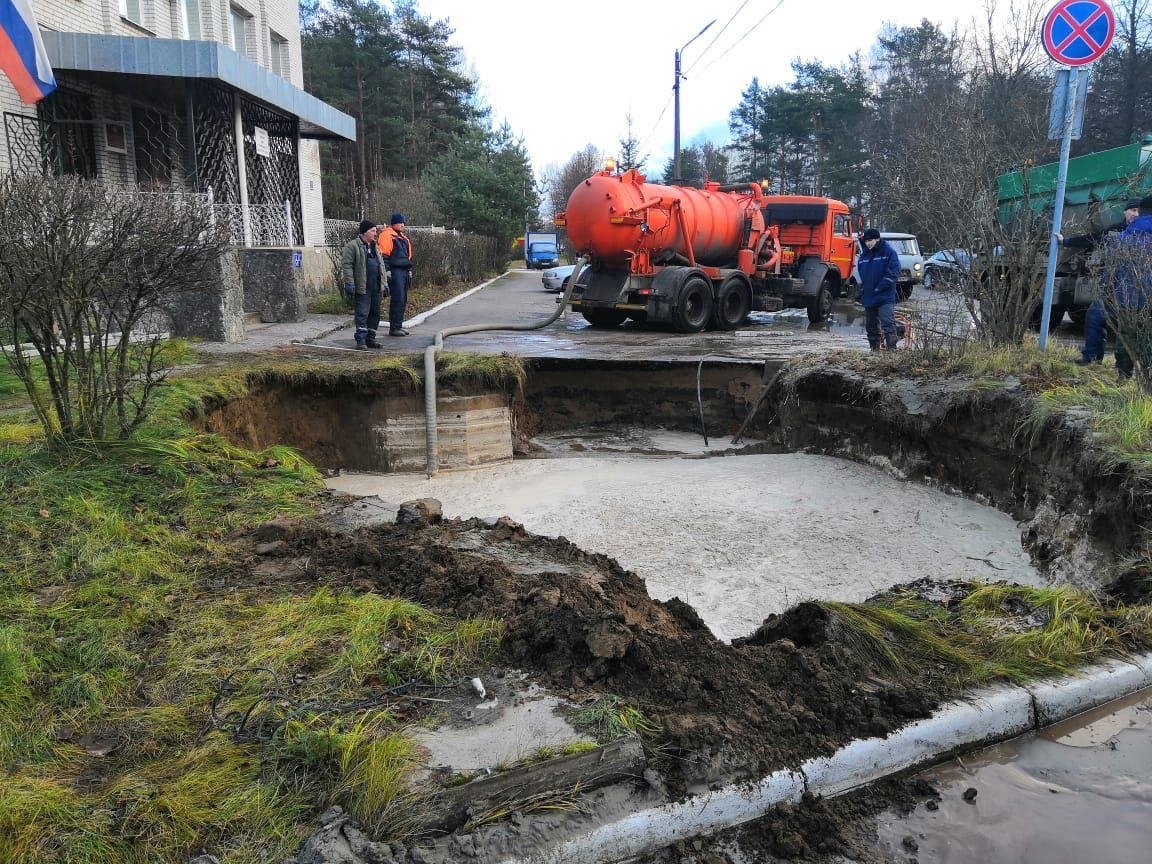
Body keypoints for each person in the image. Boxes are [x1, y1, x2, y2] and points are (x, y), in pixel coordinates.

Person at [1072, 199, 1141, 366]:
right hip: (1113, 286)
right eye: (1132, 210)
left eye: (1139, 211)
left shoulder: (1145, 231)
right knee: (1094, 315)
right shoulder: (1116, 230)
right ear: (1125, 212)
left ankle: (1128, 370)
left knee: (1128, 329)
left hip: (1136, 290)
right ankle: (1092, 357)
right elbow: (1093, 239)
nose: (1135, 214)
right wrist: (1066, 242)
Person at [1105, 195, 1152, 381]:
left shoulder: (1124, 237)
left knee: (1125, 337)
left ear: (1139, 211)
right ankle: (1147, 381)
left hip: (1127, 298)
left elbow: (1110, 273)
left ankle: (1123, 376)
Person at [340, 219, 385, 350]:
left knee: (375, 314)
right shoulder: (352, 246)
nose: (375, 234)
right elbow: (347, 266)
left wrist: (384, 283)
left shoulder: (375, 247)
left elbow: (381, 265)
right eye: (373, 231)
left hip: (375, 286)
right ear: (365, 232)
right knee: (362, 313)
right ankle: (361, 340)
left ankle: (370, 339)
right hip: (362, 286)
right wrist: (349, 283)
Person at [856, 227, 901, 350]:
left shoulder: (889, 253)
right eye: (866, 241)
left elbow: (893, 273)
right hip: (869, 296)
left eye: (870, 240)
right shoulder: (864, 256)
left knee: (887, 322)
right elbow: (863, 275)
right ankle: (874, 351)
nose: (868, 243)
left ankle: (892, 350)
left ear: (877, 239)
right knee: (871, 326)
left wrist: (879, 288)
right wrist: (862, 291)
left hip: (885, 296)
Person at [378, 212, 414, 337]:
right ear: (394, 223)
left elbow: (408, 255)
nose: (403, 225)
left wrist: (409, 270)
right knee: (397, 298)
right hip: (395, 270)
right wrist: (387, 271)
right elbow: (384, 255)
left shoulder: (402, 237)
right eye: (401, 222)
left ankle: (398, 325)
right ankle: (394, 327)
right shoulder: (387, 235)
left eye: (403, 222)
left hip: (403, 269)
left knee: (403, 299)